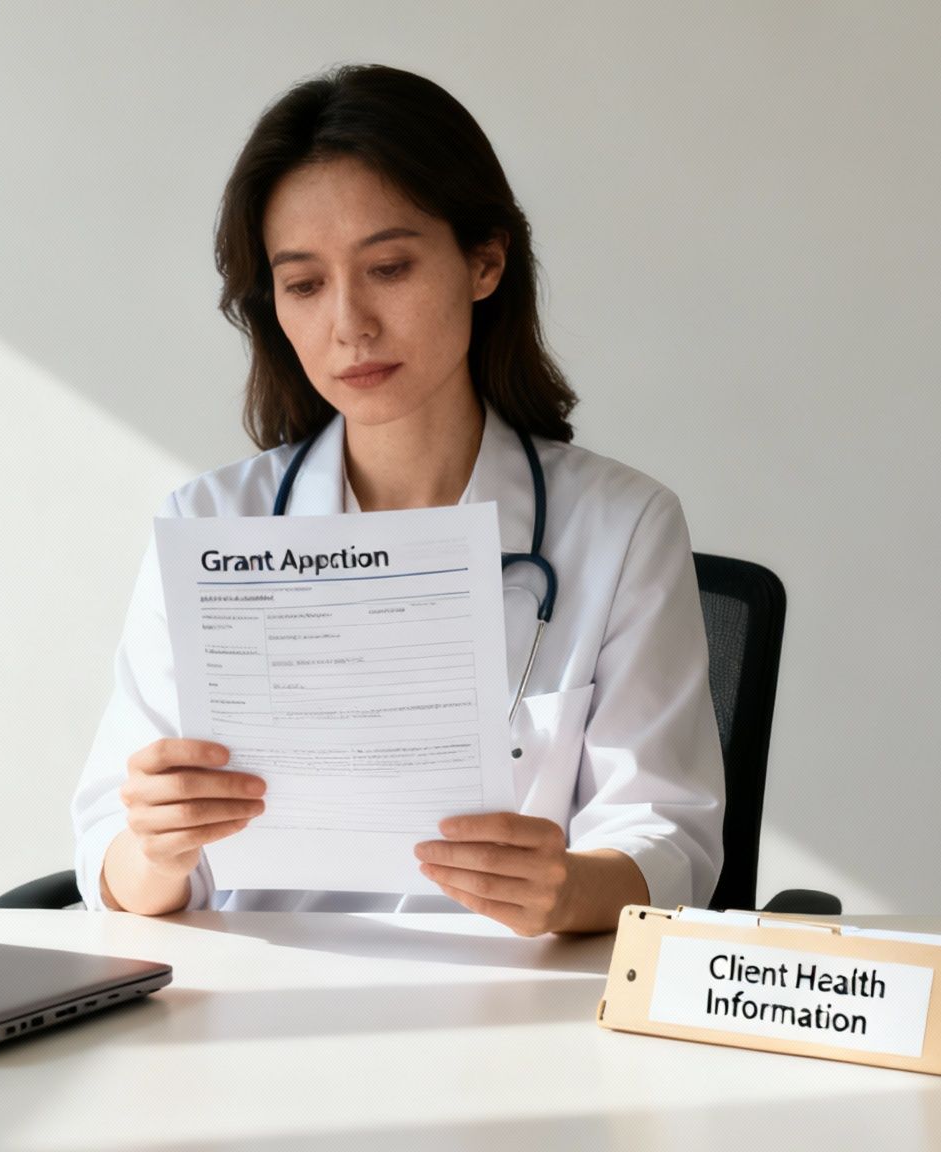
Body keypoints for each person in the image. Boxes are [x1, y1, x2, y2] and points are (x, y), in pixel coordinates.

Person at [70, 64, 723, 936]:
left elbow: (667, 844)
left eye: (388, 267)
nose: (349, 325)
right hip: (255, 1009)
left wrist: (566, 887)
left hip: (514, 1017)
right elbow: (111, 861)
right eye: (303, 285)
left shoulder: (621, 526)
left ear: (484, 261)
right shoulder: (208, 528)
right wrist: (156, 848)